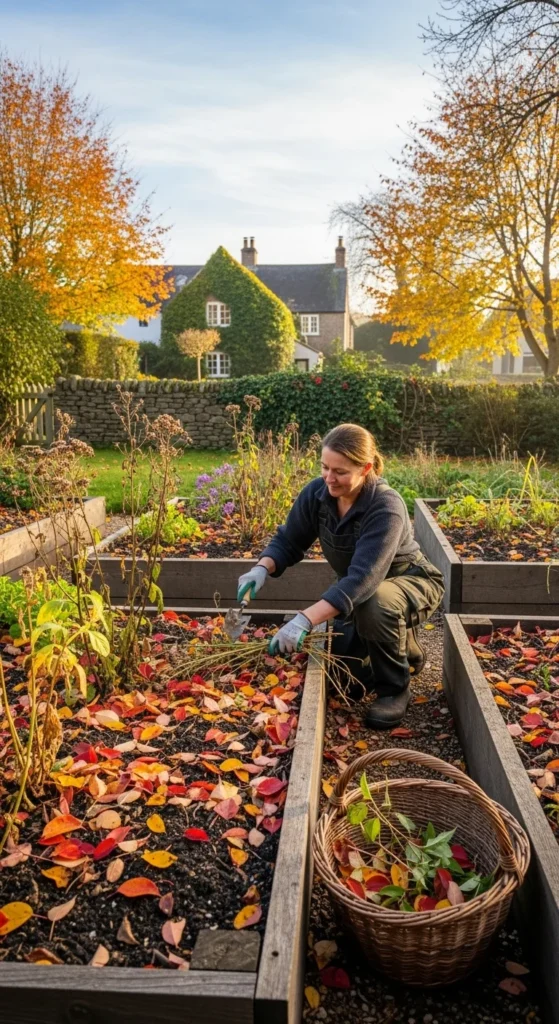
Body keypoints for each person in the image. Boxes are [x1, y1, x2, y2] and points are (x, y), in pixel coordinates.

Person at [236, 423, 444, 728]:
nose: (329, 478)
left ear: (366, 468)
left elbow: (363, 580)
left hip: (410, 582)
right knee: (348, 683)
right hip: (360, 590)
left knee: (375, 605)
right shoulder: (319, 493)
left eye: (341, 472)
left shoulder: (386, 507)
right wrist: (261, 568)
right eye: (324, 467)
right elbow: (289, 539)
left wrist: (304, 619)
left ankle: (395, 689)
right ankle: (404, 649)